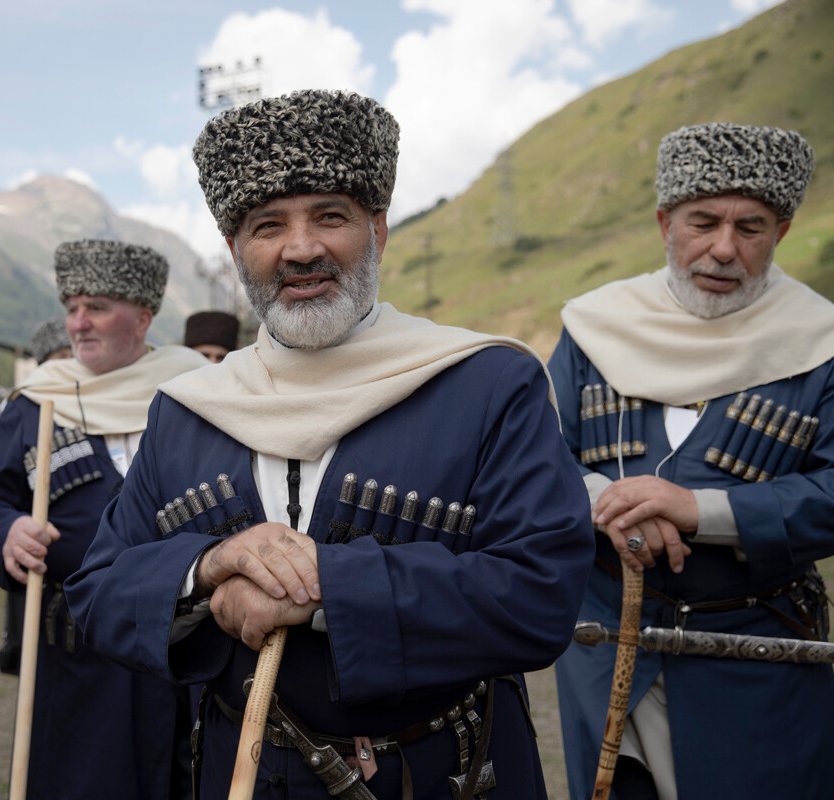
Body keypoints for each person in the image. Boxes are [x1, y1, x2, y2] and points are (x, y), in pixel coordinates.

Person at [65, 89, 595, 800]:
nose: (301, 247)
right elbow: (96, 592)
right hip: (240, 773)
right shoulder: (188, 409)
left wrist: (322, 591)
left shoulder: (489, 383)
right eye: (267, 225)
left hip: (440, 777)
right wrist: (206, 566)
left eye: (331, 217)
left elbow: (541, 595)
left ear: (378, 229)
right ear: (234, 250)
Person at [550, 123, 834, 800]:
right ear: (664, 222)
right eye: (702, 222)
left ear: (783, 231)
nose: (724, 248)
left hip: (757, 657)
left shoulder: (819, 340)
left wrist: (699, 509)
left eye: (752, 226)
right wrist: (604, 504)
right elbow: (534, 458)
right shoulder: (596, 325)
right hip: (607, 643)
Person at [0, 239, 209, 799]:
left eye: (96, 307)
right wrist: (6, 532)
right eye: (71, 308)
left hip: (185, 658)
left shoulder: (197, 393)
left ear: (143, 316)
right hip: (76, 667)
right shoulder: (36, 401)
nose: (78, 323)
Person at [0, 317, 73, 673]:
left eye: (70, 354)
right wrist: (11, 527)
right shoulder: (24, 407)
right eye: (57, 356)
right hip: (44, 582)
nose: (65, 364)